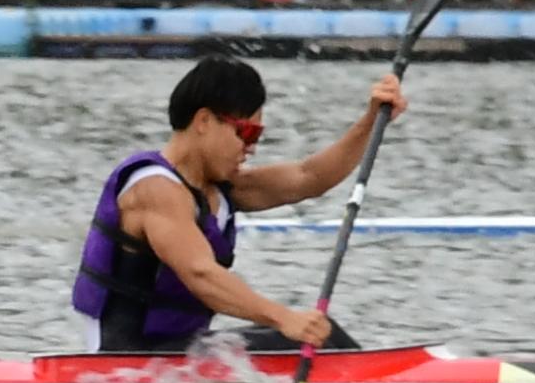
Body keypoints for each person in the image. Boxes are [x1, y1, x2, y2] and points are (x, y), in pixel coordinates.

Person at [72, 54, 407, 353]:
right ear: (204, 121)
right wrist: (283, 318)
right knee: (309, 336)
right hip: (125, 358)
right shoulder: (154, 189)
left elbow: (309, 178)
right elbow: (200, 273)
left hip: (177, 354)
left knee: (324, 333)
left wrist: (370, 122)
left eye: (257, 137)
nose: (251, 148)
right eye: (246, 134)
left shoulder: (221, 189)